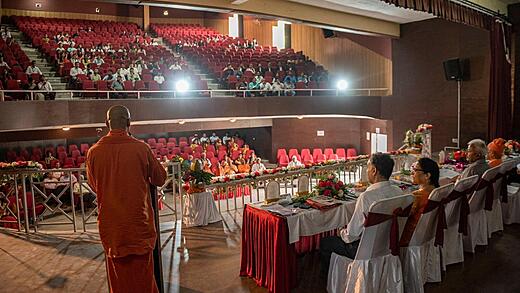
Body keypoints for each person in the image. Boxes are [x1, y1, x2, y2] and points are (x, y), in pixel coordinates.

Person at [86, 105, 166, 293]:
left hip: (112, 226)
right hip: (139, 224)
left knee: (118, 281)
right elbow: (160, 178)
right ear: (129, 123)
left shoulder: (94, 152)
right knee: (144, 280)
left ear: (107, 124)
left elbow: (94, 186)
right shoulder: (141, 148)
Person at [320, 153, 403, 272]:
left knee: (326, 243)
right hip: (389, 244)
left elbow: (351, 235)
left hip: (365, 250)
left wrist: (341, 232)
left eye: (368, 168)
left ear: (374, 171)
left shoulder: (367, 197)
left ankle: (330, 282)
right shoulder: (398, 191)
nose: (367, 171)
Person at [399, 158, 440, 247]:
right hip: (428, 234)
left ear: (427, 175)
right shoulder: (437, 192)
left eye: (415, 170)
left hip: (411, 236)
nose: (412, 173)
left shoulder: (417, 197)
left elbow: (402, 216)